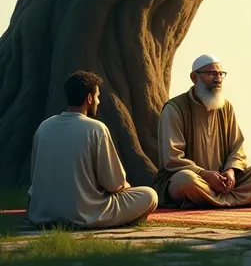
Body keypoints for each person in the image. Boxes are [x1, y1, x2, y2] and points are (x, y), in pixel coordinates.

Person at [28, 70, 158, 228]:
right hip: (86, 213)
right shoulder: (95, 129)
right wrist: (124, 186)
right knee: (149, 195)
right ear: (89, 98)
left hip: (43, 214)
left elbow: (35, 177)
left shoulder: (44, 127)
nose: (98, 101)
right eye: (97, 96)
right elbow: (113, 183)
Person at [156, 54, 251, 207]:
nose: (218, 78)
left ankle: (212, 201)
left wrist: (231, 172)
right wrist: (204, 174)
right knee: (185, 181)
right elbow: (173, 158)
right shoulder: (174, 109)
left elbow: (237, 147)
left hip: (223, 182)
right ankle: (240, 200)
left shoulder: (225, 107)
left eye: (221, 74)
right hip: (196, 179)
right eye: (211, 74)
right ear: (194, 77)